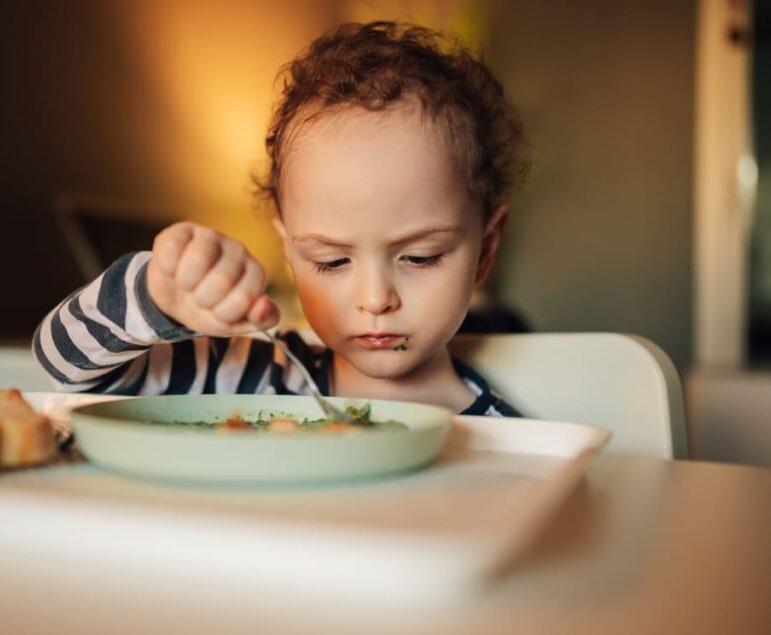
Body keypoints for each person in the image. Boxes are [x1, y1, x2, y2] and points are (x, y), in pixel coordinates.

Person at [34, 21, 528, 416]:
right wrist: (157, 297)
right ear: (290, 253)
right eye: (332, 261)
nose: (376, 300)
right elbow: (64, 365)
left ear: (484, 250)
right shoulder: (249, 376)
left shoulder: (504, 439)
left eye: (421, 257)